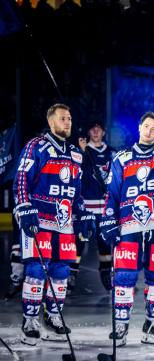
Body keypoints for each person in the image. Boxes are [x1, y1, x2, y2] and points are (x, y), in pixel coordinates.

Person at [13, 103, 95, 345]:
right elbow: (21, 180)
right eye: (62, 118)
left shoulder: (75, 154)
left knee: (61, 272)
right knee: (37, 270)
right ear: (51, 122)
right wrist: (24, 208)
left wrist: (82, 213)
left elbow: (76, 192)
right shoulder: (36, 146)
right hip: (38, 219)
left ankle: (53, 316)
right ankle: (30, 320)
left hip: (64, 222)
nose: (67, 122)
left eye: (69, 118)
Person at [99, 112, 154, 346]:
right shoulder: (122, 157)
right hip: (128, 224)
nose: (149, 131)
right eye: (146, 127)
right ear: (140, 126)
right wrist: (109, 219)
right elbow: (112, 192)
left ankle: (152, 325)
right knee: (125, 275)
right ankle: (120, 326)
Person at [71, 121, 115, 294]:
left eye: (99, 128)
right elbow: (76, 175)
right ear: (88, 131)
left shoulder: (112, 153)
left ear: (104, 132)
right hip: (86, 209)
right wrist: (81, 152)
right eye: (93, 128)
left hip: (105, 209)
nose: (96, 131)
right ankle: (70, 277)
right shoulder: (80, 152)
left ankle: (106, 277)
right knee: (79, 243)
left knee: (105, 246)